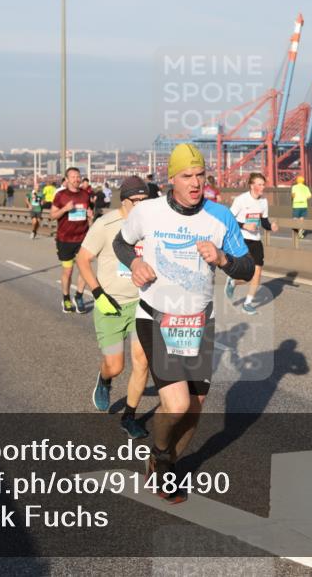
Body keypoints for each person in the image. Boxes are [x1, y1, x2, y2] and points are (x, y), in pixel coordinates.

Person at [113, 143, 254, 503]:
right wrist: (135, 264)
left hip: (198, 322)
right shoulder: (148, 212)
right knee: (175, 404)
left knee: (194, 406)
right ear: (171, 178)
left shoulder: (220, 216)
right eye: (187, 176)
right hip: (156, 316)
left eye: (200, 176)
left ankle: (167, 464)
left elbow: (248, 267)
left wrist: (222, 258)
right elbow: (121, 243)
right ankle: (161, 459)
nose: (195, 183)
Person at [77, 176, 151, 438]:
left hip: (142, 303)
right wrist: (97, 294)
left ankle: (129, 416)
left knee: (142, 362)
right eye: (137, 201)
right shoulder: (105, 224)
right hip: (110, 304)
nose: (142, 206)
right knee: (116, 365)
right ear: (124, 200)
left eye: (146, 200)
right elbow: (83, 259)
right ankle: (105, 379)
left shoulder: (150, 224)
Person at [225, 173, 277, 314]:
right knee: (246, 274)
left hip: (256, 240)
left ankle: (247, 303)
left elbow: (264, 221)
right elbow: (229, 219)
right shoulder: (241, 200)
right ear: (251, 185)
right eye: (259, 184)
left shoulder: (264, 202)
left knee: (257, 272)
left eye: (263, 184)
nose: (262, 187)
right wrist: (244, 226)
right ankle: (233, 281)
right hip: (242, 239)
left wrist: (270, 226)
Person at [51, 167, 94, 313]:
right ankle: (66, 298)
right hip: (65, 239)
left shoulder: (85, 195)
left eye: (78, 176)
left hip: (82, 237)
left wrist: (90, 217)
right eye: (73, 177)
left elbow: (89, 215)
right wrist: (64, 209)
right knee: (68, 271)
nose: (76, 179)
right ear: (67, 179)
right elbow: (53, 215)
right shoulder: (60, 195)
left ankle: (79, 295)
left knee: (85, 268)